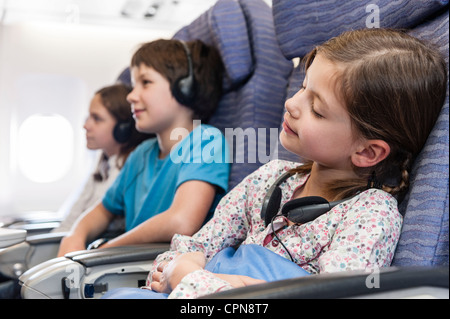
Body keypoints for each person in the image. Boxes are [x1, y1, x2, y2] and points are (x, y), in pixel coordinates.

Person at [103, 28, 447, 299]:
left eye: (317, 108)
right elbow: (194, 245)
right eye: (301, 88)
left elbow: (329, 296)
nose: (291, 104)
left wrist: (192, 278)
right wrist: (179, 266)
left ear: (367, 152)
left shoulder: (370, 215)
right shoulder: (270, 178)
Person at [57, 39, 230, 256]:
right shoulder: (141, 154)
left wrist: (108, 249)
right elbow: (103, 209)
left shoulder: (205, 141)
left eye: (145, 82)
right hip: (127, 263)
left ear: (184, 89)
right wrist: (75, 235)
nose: (131, 95)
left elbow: (181, 221)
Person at [54, 83, 154, 233]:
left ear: (123, 128)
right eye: (89, 117)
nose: (86, 126)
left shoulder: (128, 169)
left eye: (97, 118)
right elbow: (73, 218)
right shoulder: (103, 165)